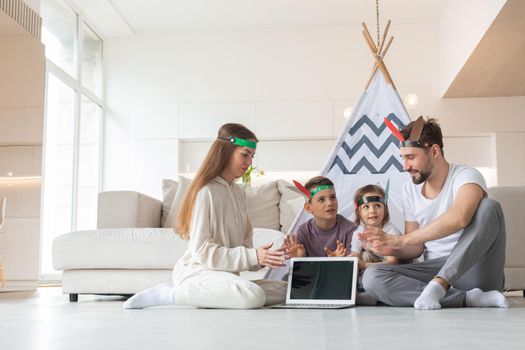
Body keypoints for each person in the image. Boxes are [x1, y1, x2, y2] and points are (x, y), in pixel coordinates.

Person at [124, 123, 287, 309]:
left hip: (225, 276)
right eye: (245, 154)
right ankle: (172, 294)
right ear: (226, 151)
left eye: (252, 156)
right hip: (199, 273)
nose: (250, 162)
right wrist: (252, 256)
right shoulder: (206, 191)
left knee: (287, 290)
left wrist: (264, 257)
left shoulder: (239, 194)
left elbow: (244, 251)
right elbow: (201, 251)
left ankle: (218, 295)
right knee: (253, 296)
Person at [361, 116, 508, 310]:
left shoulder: (466, 176)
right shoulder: (409, 190)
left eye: (411, 157)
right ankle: (466, 299)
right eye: (403, 158)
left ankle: (440, 287)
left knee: (490, 207)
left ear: (434, 151)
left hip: (474, 268)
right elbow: (416, 247)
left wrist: (402, 240)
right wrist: (388, 246)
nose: (405, 166)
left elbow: (460, 216)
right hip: (433, 271)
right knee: (372, 277)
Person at [284, 176, 356, 259]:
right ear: (308, 208)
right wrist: (299, 258)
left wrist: (339, 261)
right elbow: (301, 268)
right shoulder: (303, 231)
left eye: (332, 197)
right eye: (321, 200)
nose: (329, 203)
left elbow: (354, 266)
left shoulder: (351, 230)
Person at [350, 184, 400, 270]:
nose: (372, 211)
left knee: (364, 259)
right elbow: (354, 256)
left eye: (377, 205)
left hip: (397, 266)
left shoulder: (391, 232)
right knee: (364, 256)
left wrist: (364, 265)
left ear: (385, 209)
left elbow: (393, 262)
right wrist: (346, 258)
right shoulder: (358, 233)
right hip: (377, 263)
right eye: (366, 207)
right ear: (359, 212)